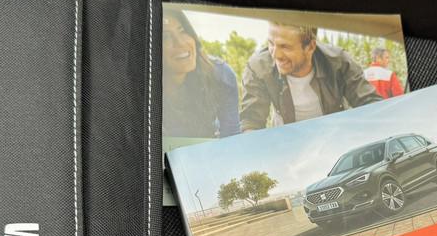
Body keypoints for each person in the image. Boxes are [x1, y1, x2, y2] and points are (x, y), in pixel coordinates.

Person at [239, 22, 381, 131]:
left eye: (285, 47)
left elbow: (371, 105)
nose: (275, 55)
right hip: (286, 141)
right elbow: (251, 122)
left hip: (334, 137)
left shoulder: (338, 62)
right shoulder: (259, 67)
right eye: (271, 43)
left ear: (310, 47)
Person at [162, 8, 241, 139]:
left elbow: (232, 137)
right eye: (166, 37)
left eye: (182, 31)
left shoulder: (221, 74)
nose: (181, 43)